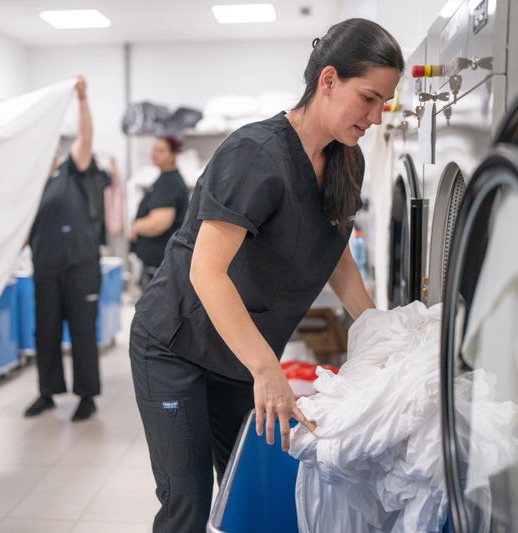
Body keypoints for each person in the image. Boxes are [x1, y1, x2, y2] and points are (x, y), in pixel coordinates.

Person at [129, 18, 404, 532]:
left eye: (384, 102)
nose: (376, 115)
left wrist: (380, 330)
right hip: (176, 344)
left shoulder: (347, 161)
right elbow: (207, 271)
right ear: (327, 80)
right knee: (187, 502)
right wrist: (266, 370)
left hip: (237, 353)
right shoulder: (255, 155)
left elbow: (336, 253)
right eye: (368, 98)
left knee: (255, 486)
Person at [24, 75, 107, 422]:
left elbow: (86, 136)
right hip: (45, 268)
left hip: (80, 266)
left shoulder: (73, 171)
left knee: (82, 332)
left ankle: (86, 396)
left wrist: (82, 100)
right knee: (45, 331)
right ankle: (47, 391)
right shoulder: (28, 190)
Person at [130, 136, 189, 290]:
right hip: (156, 262)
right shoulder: (165, 179)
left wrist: (136, 227)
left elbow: (159, 222)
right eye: (154, 149)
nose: (154, 154)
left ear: (173, 154)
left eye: (161, 150)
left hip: (159, 262)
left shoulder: (169, 183)